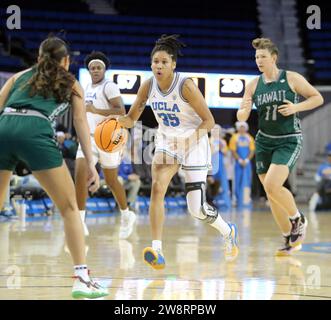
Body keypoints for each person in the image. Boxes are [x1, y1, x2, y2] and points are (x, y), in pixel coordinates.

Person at [0, 36, 108, 298]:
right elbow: (81, 123)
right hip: (34, 131)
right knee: (70, 207)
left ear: (39, 58)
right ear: (66, 61)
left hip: (3, 126)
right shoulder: (71, 82)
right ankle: (82, 278)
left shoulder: (19, 76)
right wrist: (91, 164)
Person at [118, 34, 239, 269]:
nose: (159, 66)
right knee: (157, 187)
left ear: (173, 64)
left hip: (194, 140)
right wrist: (115, 121)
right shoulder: (147, 85)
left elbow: (208, 121)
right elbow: (131, 119)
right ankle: (157, 248)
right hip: (166, 140)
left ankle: (227, 230)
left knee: (197, 209)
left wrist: (188, 142)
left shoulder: (186, 85)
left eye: (164, 61)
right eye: (155, 62)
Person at [237, 37, 324, 255]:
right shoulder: (253, 85)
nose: (259, 60)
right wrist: (244, 110)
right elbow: (241, 114)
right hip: (264, 140)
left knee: (274, 185)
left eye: (263, 57)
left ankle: (297, 218)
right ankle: (289, 239)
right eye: (256, 57)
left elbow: (317, 98)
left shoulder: (291, 78)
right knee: (270, 192)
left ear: (273, 58)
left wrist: (296, 107)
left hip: (288, 139)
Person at [75, 51, 136, 238]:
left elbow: (121, 111)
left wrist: (96, 110)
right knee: (80, 176)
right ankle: (80, 220)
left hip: (108, 138)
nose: (95, 70)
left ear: (104, 69)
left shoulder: (109, 86)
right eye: (92, 68)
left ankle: (126, 214)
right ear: (89, 70)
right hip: (89, 138)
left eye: (98, 67)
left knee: (110, 181)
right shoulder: (85, 87)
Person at [229, 121, 255, 207]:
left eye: (243, 127)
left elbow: (252, 150)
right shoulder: (234, 137)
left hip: (247, 164)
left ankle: (246, 198)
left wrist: (247, 160)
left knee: (247, 180)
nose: (242, 129)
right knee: (237, 180)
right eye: (241, 127)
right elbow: (233, 150)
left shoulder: (249, 138)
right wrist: (239, 159)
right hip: (237, 163)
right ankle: (236, 198)